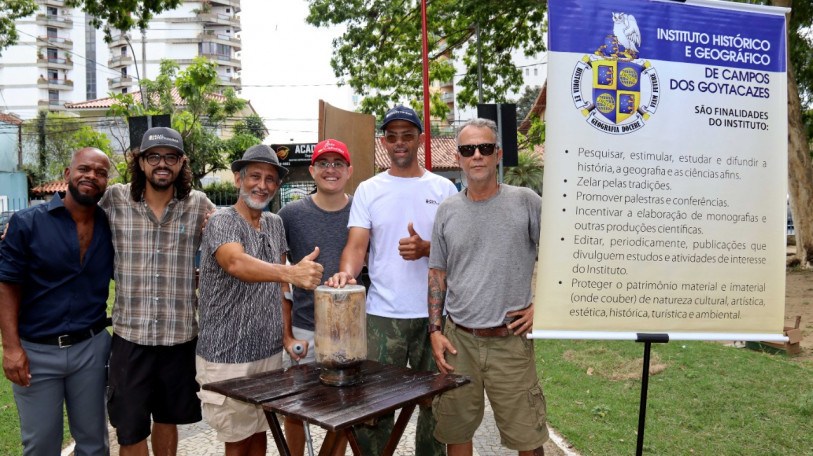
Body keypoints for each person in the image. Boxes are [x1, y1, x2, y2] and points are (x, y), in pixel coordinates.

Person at [327, 105, 458, 455]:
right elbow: (357, 246)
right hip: (384, 316)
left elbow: (457, 248)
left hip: (436, 317)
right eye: (392, 136)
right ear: (384, 141)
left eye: (407, 135)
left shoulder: (444, 188)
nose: (400, 142)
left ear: (420, 139)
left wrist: (427, 248)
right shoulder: (370, 189)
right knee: (376, 410)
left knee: (436, 407)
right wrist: (346, 273)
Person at [427, 118, 548, 456]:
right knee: (457, 431)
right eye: (468, 149)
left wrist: (544, 307)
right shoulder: (447, 211)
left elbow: (559, 253)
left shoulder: (526, 202)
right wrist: (435, 330)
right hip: (458, 341)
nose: (476, 155)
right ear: (459, 158)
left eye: (485, 148)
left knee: (528, 436)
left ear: (499, 154)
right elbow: (437, 273)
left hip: (510, 342)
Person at [195, 144, 324, 456]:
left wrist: (287, 336)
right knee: (237, 442)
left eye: (270, 179)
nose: (262, 185)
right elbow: (236, 263)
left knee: (259, 435)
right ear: (238, 179)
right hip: (227, 356)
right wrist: (292, 273)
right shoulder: (222, 221)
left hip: (266, 354)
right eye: (255, 176)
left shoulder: (274, 223)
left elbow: (279, 289)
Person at [101, 127, 215, 456]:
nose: (161, 164)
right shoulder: (116, 199)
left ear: (182, 162)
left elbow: (231, 237)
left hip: (178, 339)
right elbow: (73, 213)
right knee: (130, 428)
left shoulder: (199, 206)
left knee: (168, 419)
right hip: (130, 338)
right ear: (140, 162)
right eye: (153, 157)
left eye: (170, 157)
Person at [0, 148, 113, 455]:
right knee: (41, 445)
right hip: (37, 351)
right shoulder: (27, 223)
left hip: (91, 348)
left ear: (106, 182)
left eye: (101, 173)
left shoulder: (111, 226)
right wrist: (11, 348)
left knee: (94, 445)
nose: (91, 176)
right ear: (67, 174)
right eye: (84, 169)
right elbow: (7, 286)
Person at [278, 138, 354, 456]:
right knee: (296, 409)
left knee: (345, 410)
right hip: (306, 328)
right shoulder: (290, 214)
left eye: (338, 163)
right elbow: (279, 280)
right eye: (323, 163)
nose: (331, 170)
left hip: (350, 331)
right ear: (312, 170)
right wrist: (287, 334)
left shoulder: (362, 212)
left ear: (349, 171)